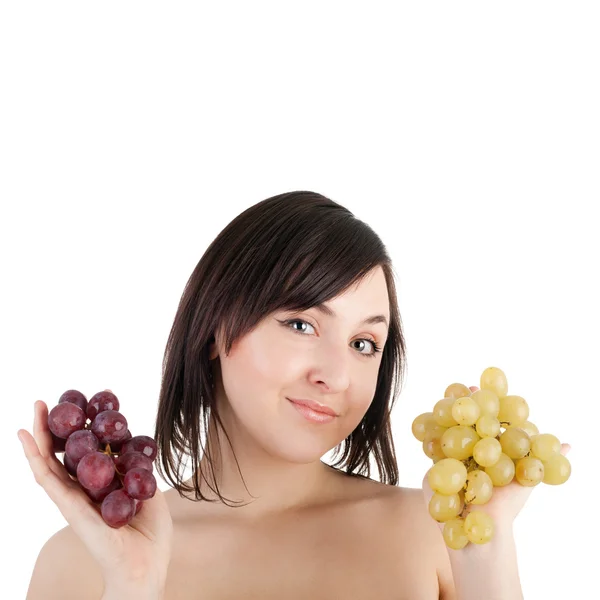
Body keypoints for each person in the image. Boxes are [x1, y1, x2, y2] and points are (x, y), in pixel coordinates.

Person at [19, 191, 569, 599]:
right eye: (303, 325)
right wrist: (133, 586)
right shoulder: (79, 564)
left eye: (363, 342)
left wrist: (486, 557)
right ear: (216, 329)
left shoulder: (432, 536)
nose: (337, 373)